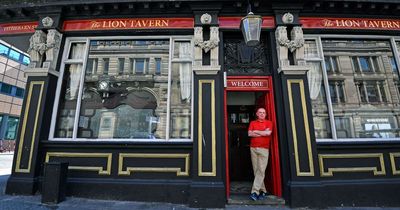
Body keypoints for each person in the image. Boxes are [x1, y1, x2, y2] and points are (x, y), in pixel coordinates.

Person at [247, 107, 273, 201]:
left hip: (263, 149)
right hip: (253, 148)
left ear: (265, 114)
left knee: (261, 170)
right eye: (260, 112)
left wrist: (256, 132)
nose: (262, 114)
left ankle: (255, 191)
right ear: (257, 114)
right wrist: (262, 132)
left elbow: (268, 133)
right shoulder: (253, 123)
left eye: (264, 112)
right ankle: (263, 190)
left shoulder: (269, 123)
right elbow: (249, 134)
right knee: (256, 170)